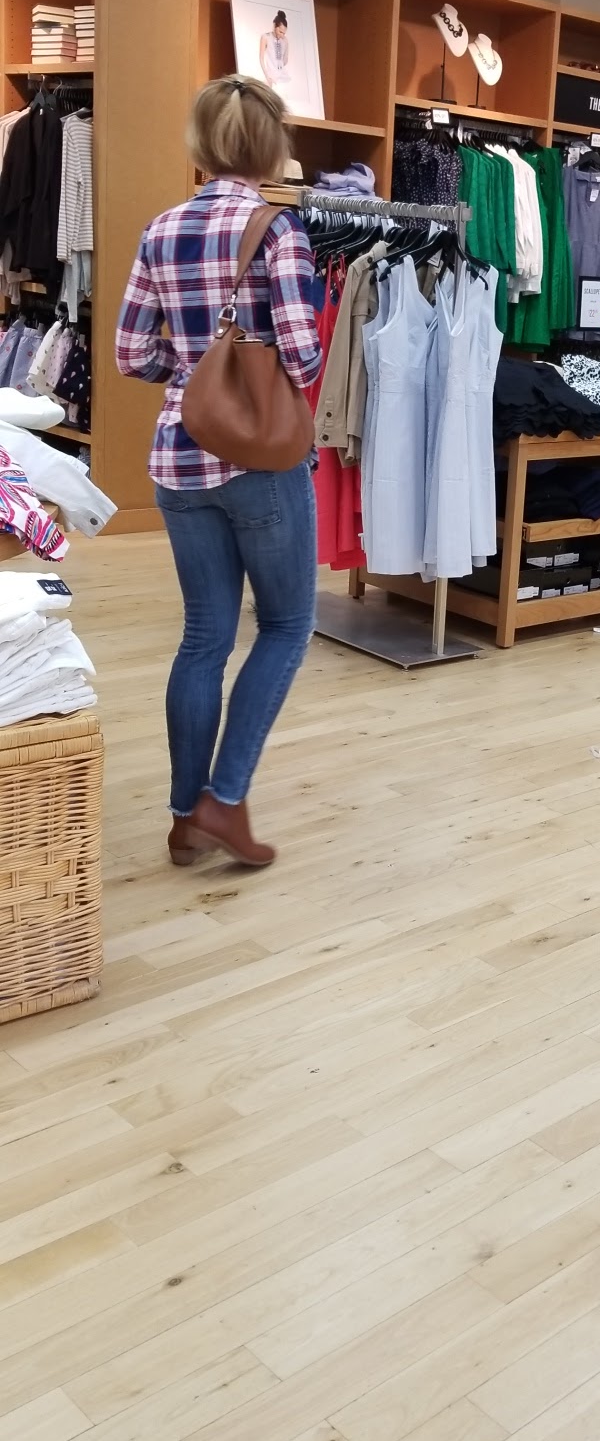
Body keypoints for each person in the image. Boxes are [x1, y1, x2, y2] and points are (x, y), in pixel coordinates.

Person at [116, 75, 321, 869]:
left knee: (203, 636)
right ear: (271, 146)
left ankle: (183, 818)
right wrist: (248, 369)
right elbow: (302, 356)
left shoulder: (161, 228)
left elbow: (132, 353)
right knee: (286, 626)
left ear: (201, 142)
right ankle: (224, 802)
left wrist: (195, 374)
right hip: (260, 461)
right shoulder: (280, 230)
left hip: (178, 453)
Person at [260, 10, 290, 88]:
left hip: (281, 76)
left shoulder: (285, 40)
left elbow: (285, 60)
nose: (282, 35)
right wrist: (267, 76)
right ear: (274, 26)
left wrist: (286, 44)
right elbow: (261, 59)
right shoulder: (265, 37)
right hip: (269, 75)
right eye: (280, 32)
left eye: (284, 33)